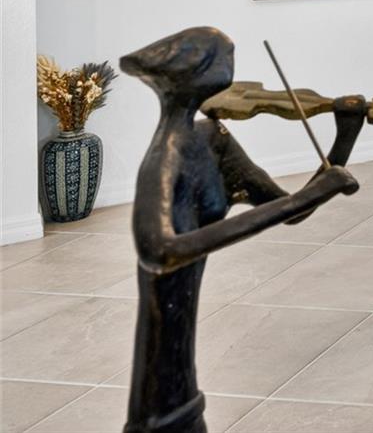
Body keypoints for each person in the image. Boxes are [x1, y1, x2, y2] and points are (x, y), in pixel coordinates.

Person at [121, 27, 360, 433]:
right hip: (162, 345)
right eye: (220, 54)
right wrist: (307, 197)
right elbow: (159, 250)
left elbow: (289, 210)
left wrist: (345, 136)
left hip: (182, 347)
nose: (229, 55)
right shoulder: (164, 160)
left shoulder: (214, 140)